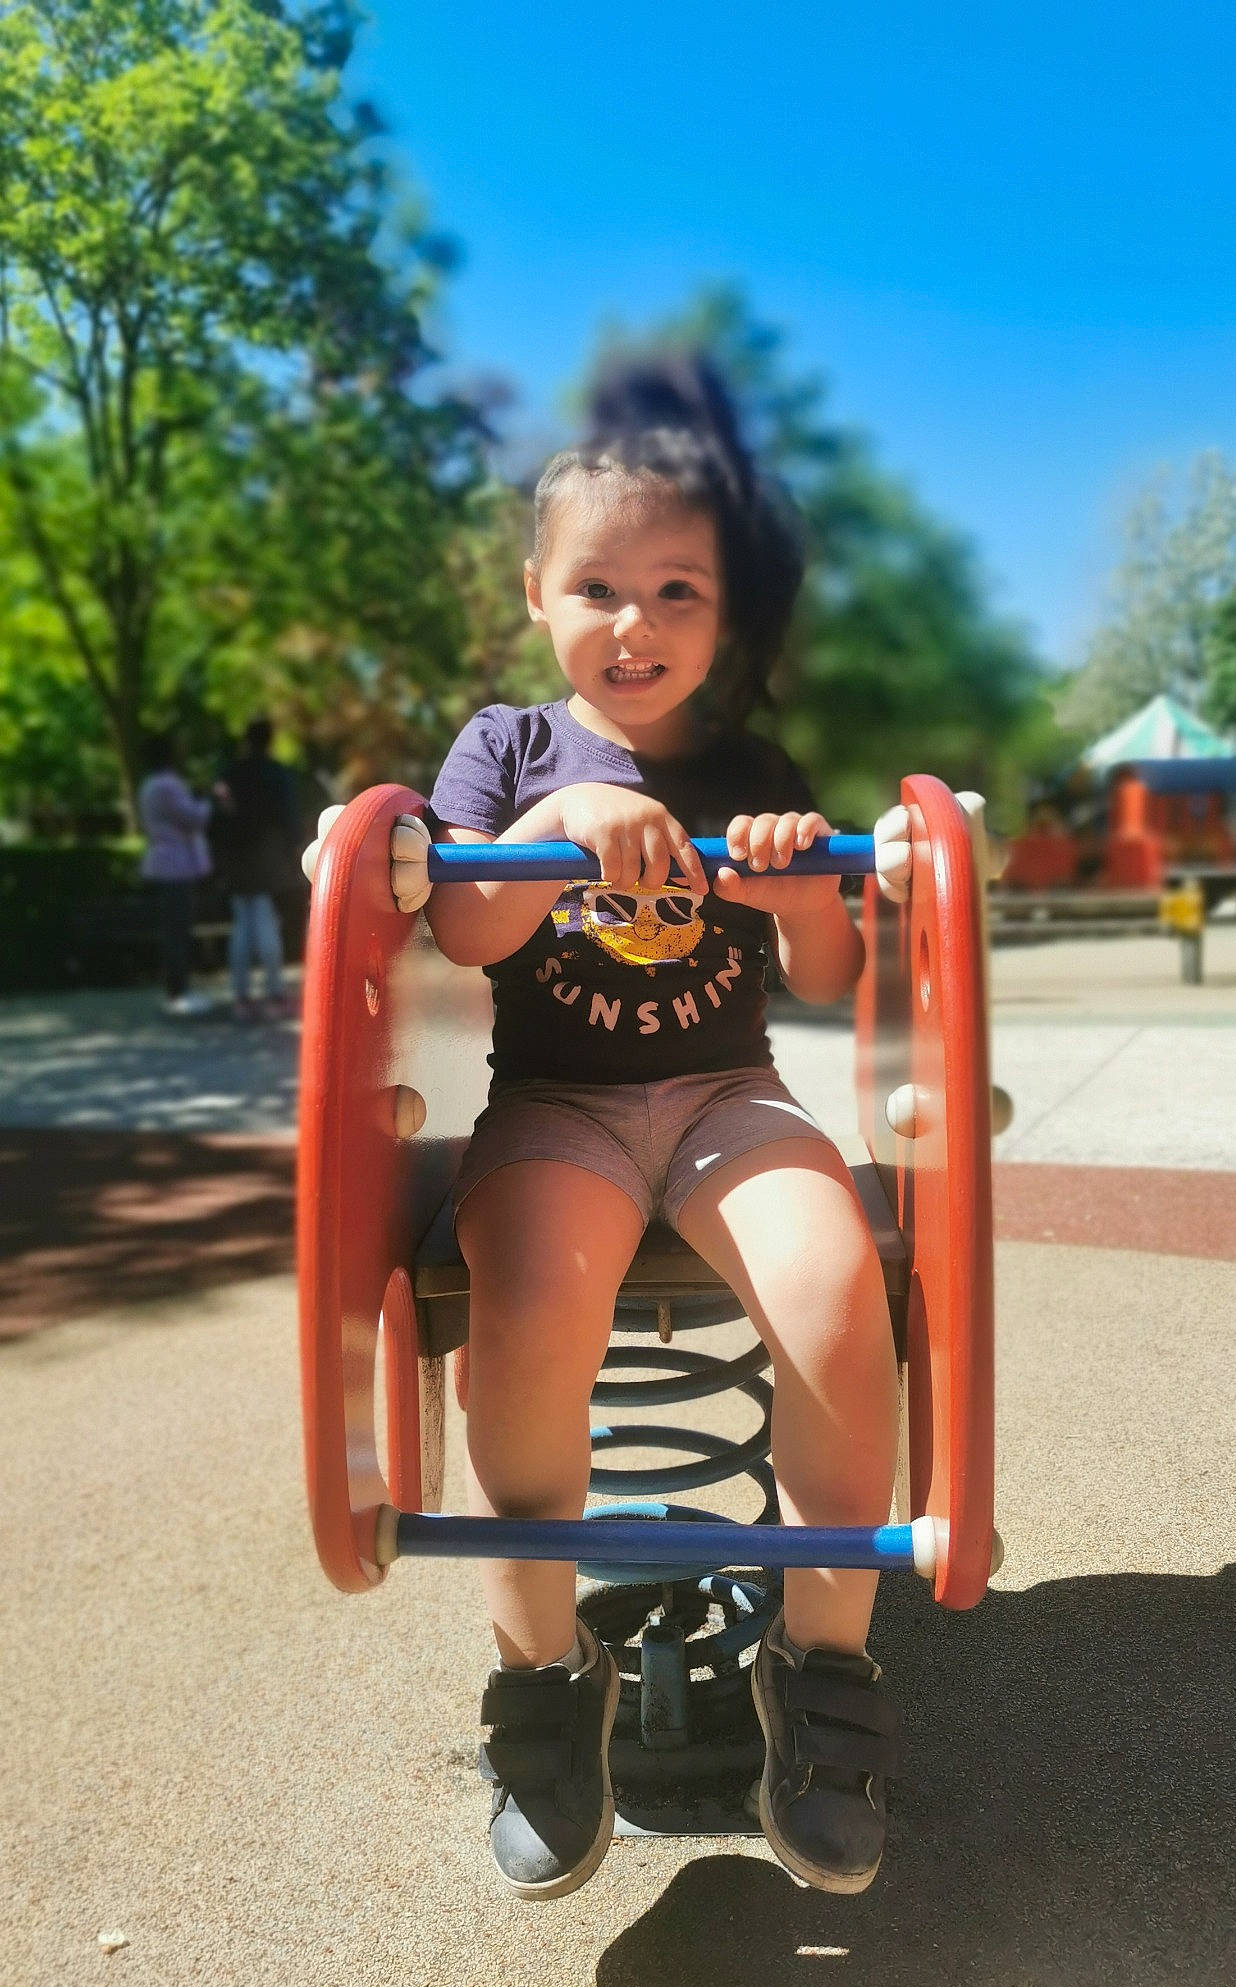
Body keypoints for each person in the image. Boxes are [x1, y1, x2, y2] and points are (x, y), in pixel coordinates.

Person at [309, 360, 906, 1902]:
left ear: (721, 621)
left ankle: (822, 1669)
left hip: (725, 1096)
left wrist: (792, 889)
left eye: (676, 591)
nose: (634, 625)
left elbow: (831, 975)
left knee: (841, 1298)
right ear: (538, 595)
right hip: (558, 1107)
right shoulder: (503, 754)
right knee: (527, 1310)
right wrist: (558, 824)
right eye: (599, 587)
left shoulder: (754, 778)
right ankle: (540, 1671)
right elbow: (473, 935)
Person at [215, 717, 299, 1021]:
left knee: (241, 925)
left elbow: (219, 815)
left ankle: (241, 995)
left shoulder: (229, 773)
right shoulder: (276, 774)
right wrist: (292, 852)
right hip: (266, 855)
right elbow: (288, 818)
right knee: (265, 921)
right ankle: (274, 993)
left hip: (237, 858)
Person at [136, 733, 214, 1017]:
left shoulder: (147, 786)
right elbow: (194, 818)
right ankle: (178, 991)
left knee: (172, 929)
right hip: (176, 865)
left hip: (161, 862)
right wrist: (207, 802)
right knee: (177, 930)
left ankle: (176, 988)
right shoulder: (168, 785)